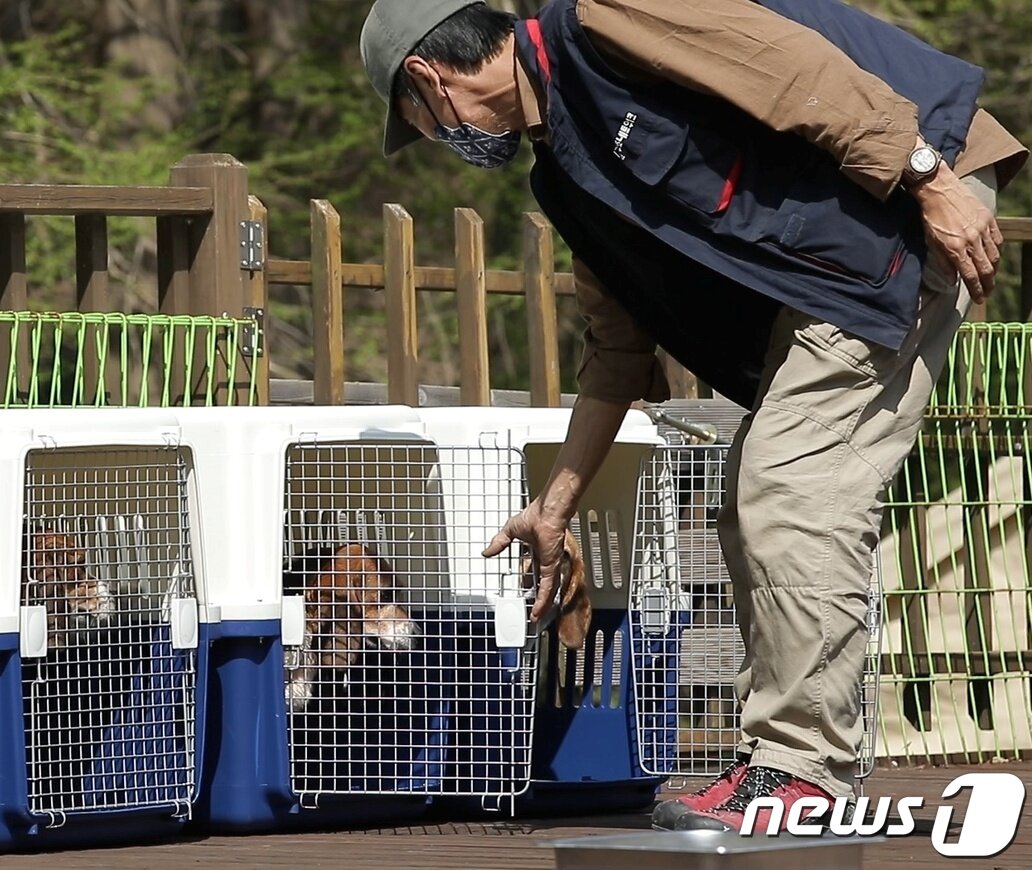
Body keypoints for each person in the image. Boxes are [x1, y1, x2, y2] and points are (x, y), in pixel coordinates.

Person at [360, 0, 1026, 832]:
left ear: (428, 81)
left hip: (909, 185)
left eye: (416, 123)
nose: (434, 141)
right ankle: (775, 764)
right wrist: (557, 504)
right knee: (753, 501)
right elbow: (615, 350)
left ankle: (805, 772)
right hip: (842, 254)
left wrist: (931, 182)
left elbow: (796, 70)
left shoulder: (602, 21)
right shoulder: (564, 171)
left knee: (789, 491)